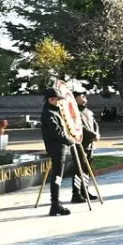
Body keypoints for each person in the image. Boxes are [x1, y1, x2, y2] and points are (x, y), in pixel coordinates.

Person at [40, 87, 74, 217]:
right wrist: (69, 140)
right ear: (50, 100)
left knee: (58, 175)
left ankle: (56, 203)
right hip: (56, 148)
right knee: (57, 176)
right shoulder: (48, 113)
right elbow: (56, 132)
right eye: (56, 99)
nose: (58, 102)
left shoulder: (54, 111)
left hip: (60, 147)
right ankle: (55, 204)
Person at [71, 88, 100, 203]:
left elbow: (95, 123)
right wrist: (92, 134)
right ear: (75, 99)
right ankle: (76, 193)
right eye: (81, 96)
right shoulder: (74, 112)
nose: (84, 98)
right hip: (80, 144)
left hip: (90, 144)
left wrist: (96, 133)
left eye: (84, 96)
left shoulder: (88, 111)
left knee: (87, 170)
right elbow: (79, 127)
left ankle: (85, 190)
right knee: (79, 169)